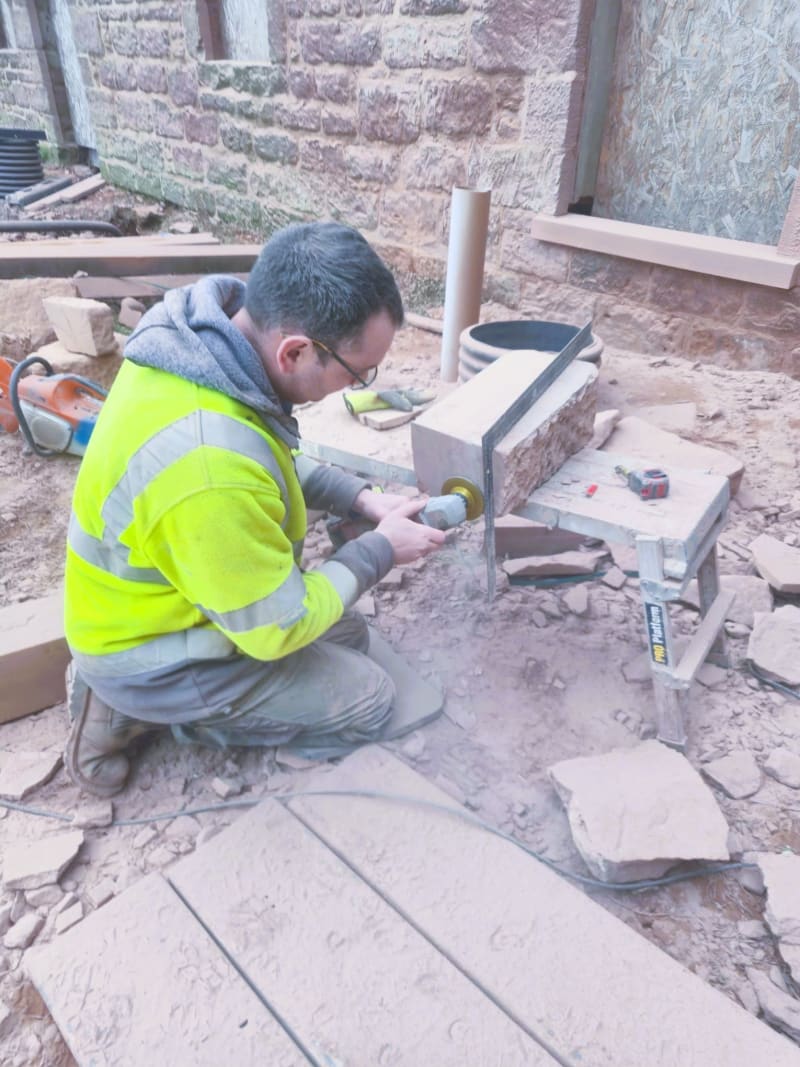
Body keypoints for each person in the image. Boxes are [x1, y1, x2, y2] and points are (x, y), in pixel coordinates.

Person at [63, 221, 447, 797]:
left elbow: (264, 462)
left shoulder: (197, 349)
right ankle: (144, 711)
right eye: (358, 372)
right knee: (370, 701)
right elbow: (277, 629)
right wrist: (381, 549)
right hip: (151, 652)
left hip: (167, 604)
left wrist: (360, 498)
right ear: (294, 351)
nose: (360, 384)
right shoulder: (207, 466)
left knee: (347, 633)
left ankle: (137, 696)